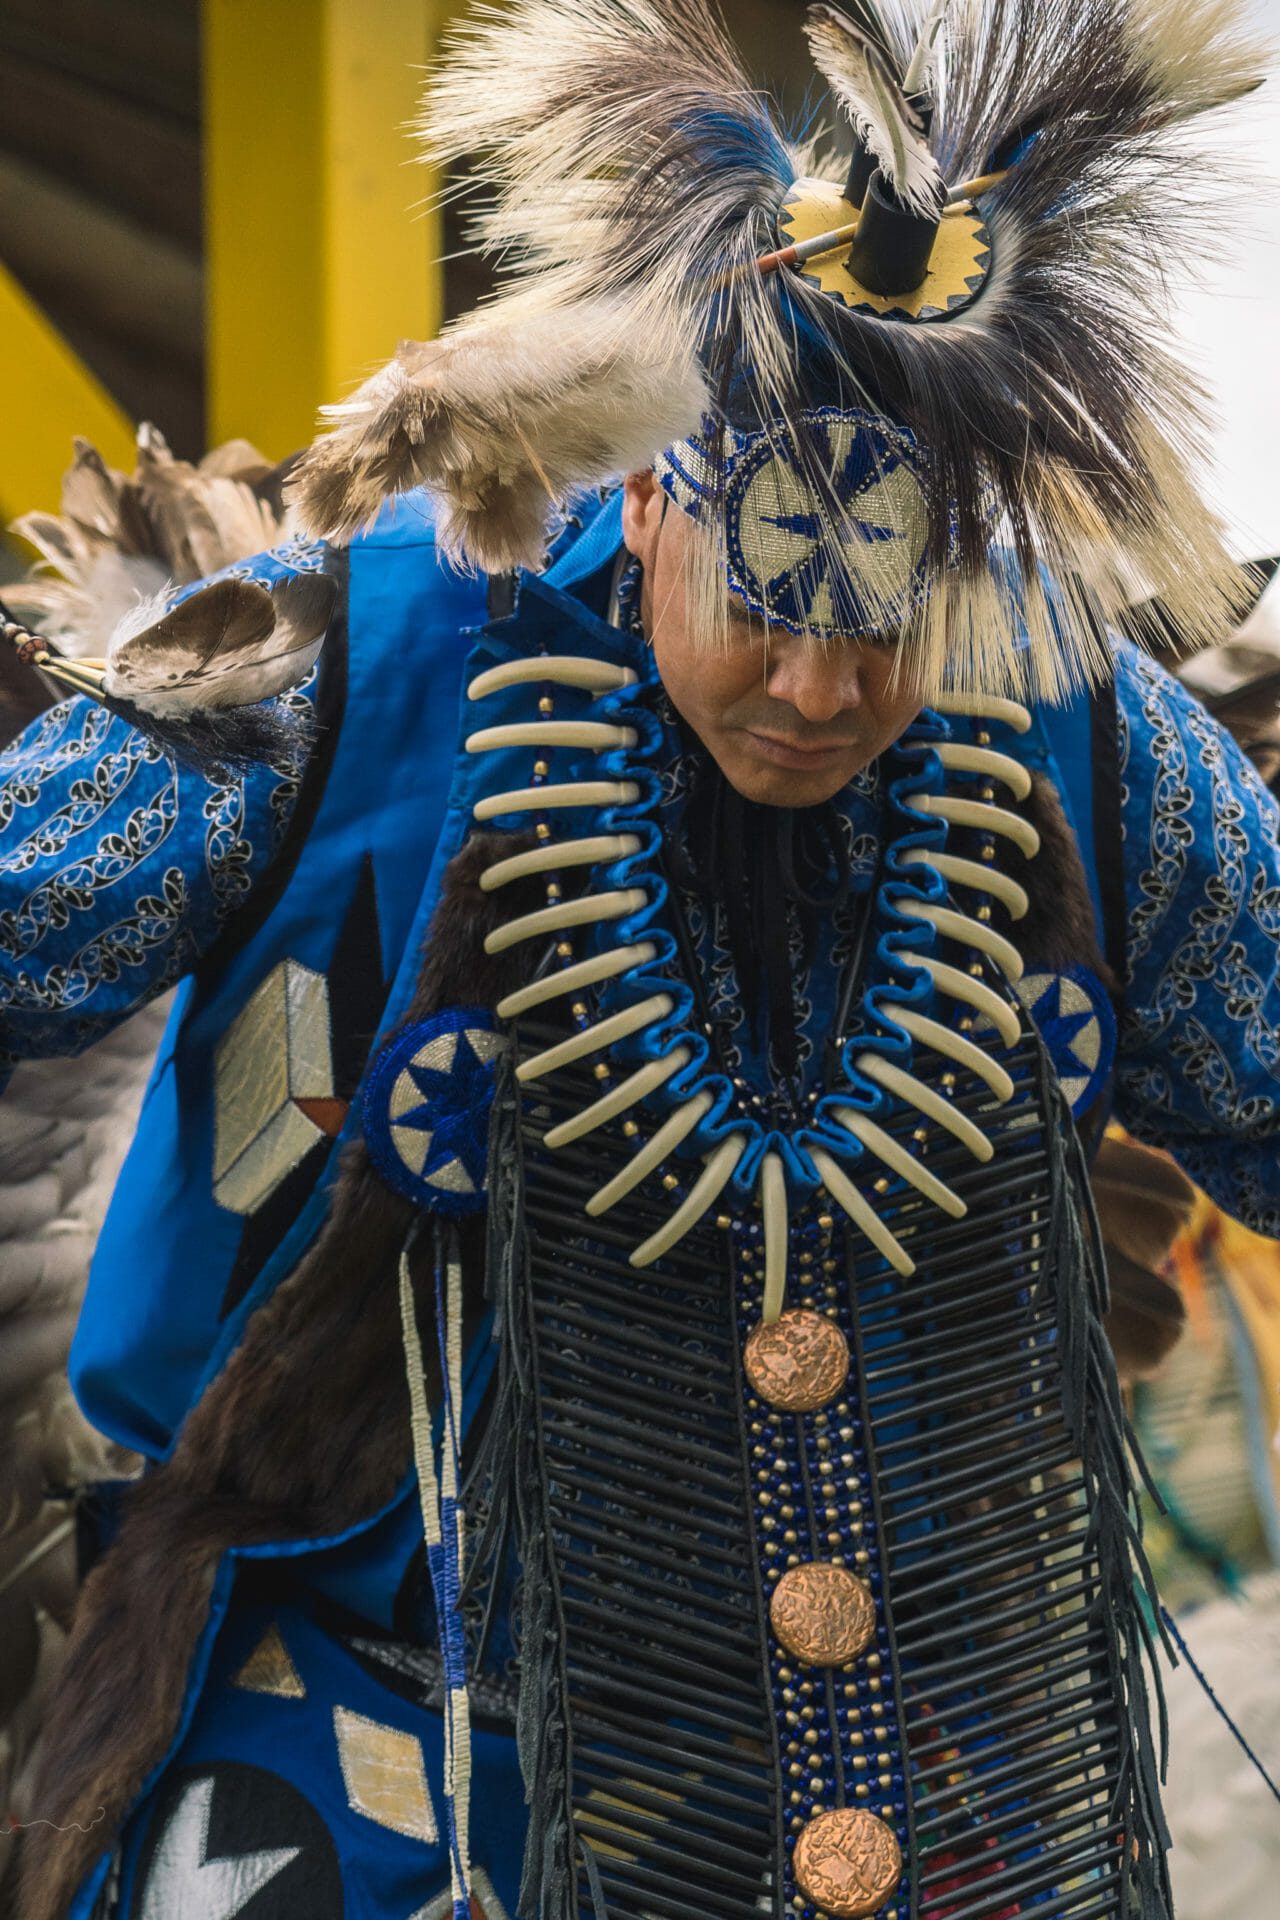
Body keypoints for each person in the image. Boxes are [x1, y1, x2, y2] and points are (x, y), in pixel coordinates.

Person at [2, 3, 1278, 1918]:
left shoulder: (1086, 727)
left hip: (926, 1732)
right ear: (660, 484)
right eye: (772, 599)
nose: (824, 689)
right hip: (368, 1717)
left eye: (892, 624)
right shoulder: (327, 663)